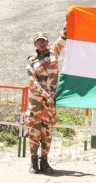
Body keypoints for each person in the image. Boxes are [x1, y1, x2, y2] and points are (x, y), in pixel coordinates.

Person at [25, 28, 66, 174]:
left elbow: (64, 37)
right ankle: (33, 162)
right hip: (36, 101)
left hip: (50, 102)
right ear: (35, 44)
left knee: (47, 132)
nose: (41, 43)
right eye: (39, 41)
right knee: (34, 131)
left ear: (47, 42)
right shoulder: (31, 61)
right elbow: (33, 82)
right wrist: (45, 94)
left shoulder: (54, 53)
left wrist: (69, 20)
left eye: (44, 41)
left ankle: (45, 162)